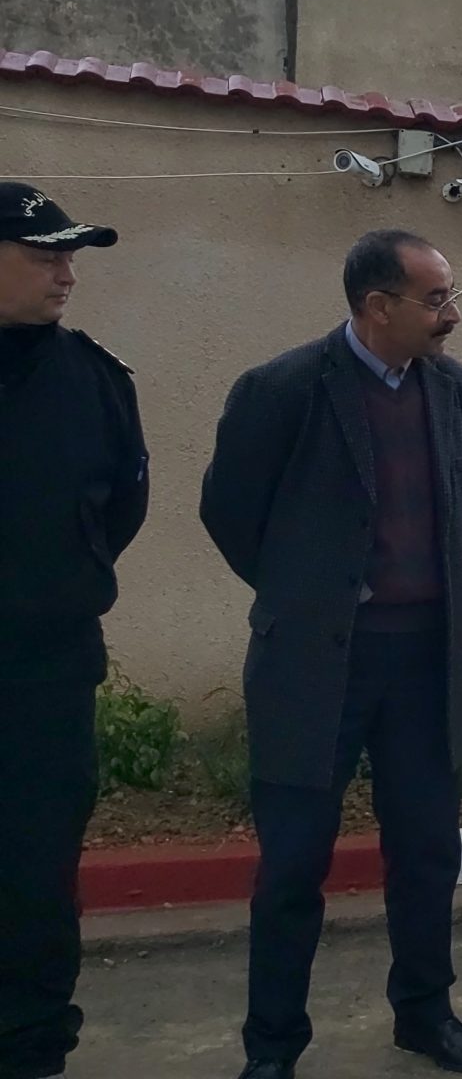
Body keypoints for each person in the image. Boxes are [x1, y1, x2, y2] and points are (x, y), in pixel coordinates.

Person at [200, 230, 462, 1078]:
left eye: (450, 295)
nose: (451, 315)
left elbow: (456, 497)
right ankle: (273, 1046)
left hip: (423, 664)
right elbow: (229, 513)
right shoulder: (281, 389)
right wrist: (312, 596)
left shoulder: (456, 391)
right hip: (313, 669)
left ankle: (426, 1015)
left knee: (428, 854)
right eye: (434, 300)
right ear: (376, 307)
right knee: (294, 866)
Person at [0, 184, 143, 1079]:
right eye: (44, 255)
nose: (66, 273)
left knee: (36, 871)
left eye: (70, 256)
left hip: (45, 673)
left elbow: (120, 507)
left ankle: (29, 1046)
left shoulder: (93, 380)